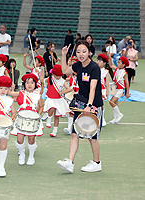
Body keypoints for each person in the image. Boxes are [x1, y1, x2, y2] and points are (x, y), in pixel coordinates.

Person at [57, 40, 104, 173]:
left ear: (89, 52)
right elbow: (65, 70)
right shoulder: (77, 66)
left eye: (84, 51)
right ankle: (70, 162)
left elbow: (93, 88)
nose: (81, 54)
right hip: (80, 104)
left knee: (92, 137)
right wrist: (64, 55)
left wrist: (89, 105)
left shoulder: (94, 68)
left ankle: (96, 163)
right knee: (74, 133)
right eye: (78, 52)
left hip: (94, 106)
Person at [8, 73, 44, 165]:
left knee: (31, 140)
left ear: (35, 84)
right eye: (27, 82)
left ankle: (31, 156)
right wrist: (10, 86)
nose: (30, 84)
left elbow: (41, 106)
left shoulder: (37, 95)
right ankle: (22, 154)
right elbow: (10, 93)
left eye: (32, 82)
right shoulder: (20, 93)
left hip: (32, 119)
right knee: (20, 139)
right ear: (24, 84)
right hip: (21, 118)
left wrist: (38, 115)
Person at [43, 64, 71, 137]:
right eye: (56, 75)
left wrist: (62, 92)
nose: (57, 77)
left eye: (59, 75)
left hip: (59, 99)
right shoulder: (50, 78)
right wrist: (39, 73)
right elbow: (42, 81)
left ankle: (54, 131)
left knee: (57, 116)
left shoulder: (62, 81)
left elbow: (69, 89)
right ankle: (49, 119)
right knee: (51, 108)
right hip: (51, 98)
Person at [107, 53, 131, 124]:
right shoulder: (117, 69)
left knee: (111, 102)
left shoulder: (124, 73)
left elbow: (127, 83)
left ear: (123, 65)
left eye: (119, 62)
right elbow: (111, 65)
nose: (117, 63)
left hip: (120, 90)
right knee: (115, 104)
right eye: (117, 62)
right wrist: (109, 57)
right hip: (115, 89)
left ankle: (119, 114)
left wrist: (127, 93)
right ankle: (115, 119)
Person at [96, 54, 109, 126]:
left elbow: (107, 82)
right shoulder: (94, 69)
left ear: (104, 63)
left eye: (100, 61)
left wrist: (107, 91)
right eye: (97, 60)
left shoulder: (106, 71)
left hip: (102, 90)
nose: (98, 62)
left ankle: (102, 118)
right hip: (94, 89)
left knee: (101, 105)